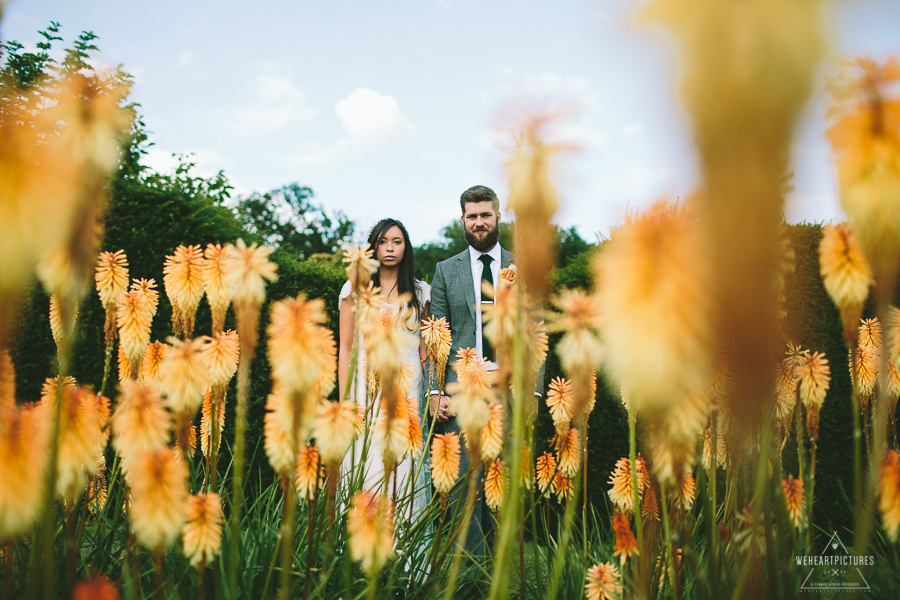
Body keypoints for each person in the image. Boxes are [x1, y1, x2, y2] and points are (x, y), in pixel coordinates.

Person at [428, 184, 544, 556]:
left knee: (503, 483)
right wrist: (434, 392)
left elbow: (537, 333)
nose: (479, 222)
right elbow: (437, 336)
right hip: (462, 389)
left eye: (486, 215)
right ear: (462, 220)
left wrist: (536, 390)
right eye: (472, 216)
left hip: (508, 389)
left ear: (498, 216)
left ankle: (502, 575)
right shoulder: (446, 271)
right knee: (463, 487)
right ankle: (466, 581)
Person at [338, 218, 431, 515]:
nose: (389, 248)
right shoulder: (355, 290)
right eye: (382, 242)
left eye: (397, 241)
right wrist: (344, 399)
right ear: (373, 247)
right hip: (365, 386)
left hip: (408, 388)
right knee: (365, 462)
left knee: (404, 465)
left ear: (406, 247)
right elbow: (346, 347)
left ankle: (404, 550)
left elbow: (426, 351)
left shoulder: (421, 293)